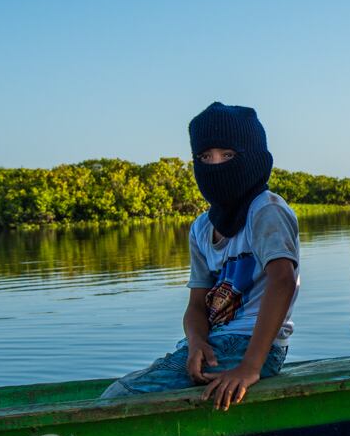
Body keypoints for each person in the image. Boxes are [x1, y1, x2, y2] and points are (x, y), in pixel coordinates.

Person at [101, 102, 300, 411]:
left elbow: (284, 281)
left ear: (252, 157)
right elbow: (196, 305)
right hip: (215, 343)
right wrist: (196, 342)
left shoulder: (266, 210)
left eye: (228, 155)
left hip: (255, 346)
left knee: (120, 399)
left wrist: (250, 367)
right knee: (118, 392)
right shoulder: (202, 227)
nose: (215, 166)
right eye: (205, 157)